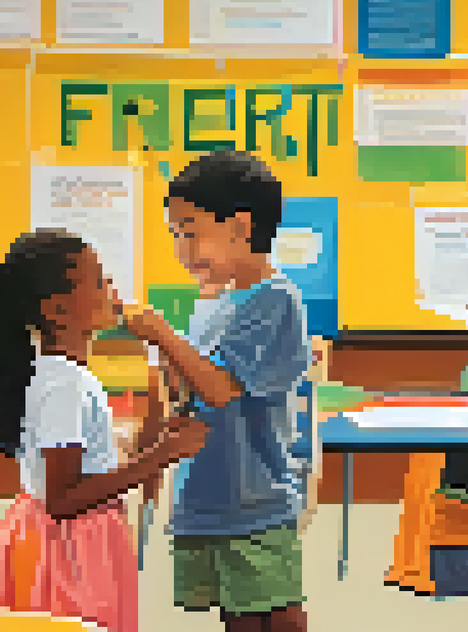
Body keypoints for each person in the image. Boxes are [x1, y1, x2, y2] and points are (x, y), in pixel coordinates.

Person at [0, 229, 210, 631]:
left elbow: (88, 472)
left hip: (75, 539)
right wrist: (161, 457)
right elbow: (63, 498)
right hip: (72, 549)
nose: (111, 290)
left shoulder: (64, 376)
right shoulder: (63, 384)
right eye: (98, 281)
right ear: (56, 310)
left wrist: (157, 445)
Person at [120, 150, 312, 632]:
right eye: (176, 234)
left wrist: (163, 336)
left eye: (191, 231)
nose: (182, 249)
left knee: (273, 616)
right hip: (206, 493)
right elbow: (194, 387)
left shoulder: (274, 298)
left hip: (255, 500)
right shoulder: (214, 298)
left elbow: (224, 389)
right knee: (237, 618)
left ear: (241, 227)